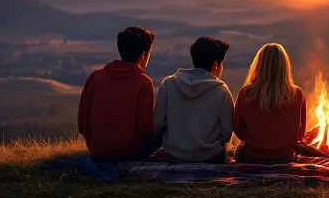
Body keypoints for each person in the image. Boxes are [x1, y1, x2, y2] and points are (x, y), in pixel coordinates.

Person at [78, 26, 160, 163]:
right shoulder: (144, 82)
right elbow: (146, 128)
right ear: (143, 55)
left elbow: (82, 124)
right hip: (127, 154)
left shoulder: (95, 76)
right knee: (163, 129)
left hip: (96, 151)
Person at [154, 36, 234, 164]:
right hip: (210, 157)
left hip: (173, 155)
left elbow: (158, 124)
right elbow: (226, 134)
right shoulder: (222, 90)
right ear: (215, 65)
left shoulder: (168, 83)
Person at [233, 43, 306, 164]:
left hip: (253, 156)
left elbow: (238, 129)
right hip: (285, 158)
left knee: (240, 150)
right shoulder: (297, 93)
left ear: (258, 65)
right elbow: (300, 134)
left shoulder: (246, 93)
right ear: (285, 66)